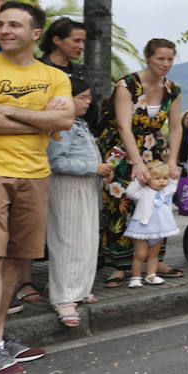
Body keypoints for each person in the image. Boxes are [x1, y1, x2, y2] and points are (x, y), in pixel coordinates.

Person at [0, 1, 73, 374]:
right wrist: (40, 120)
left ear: (35, 34)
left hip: (35, 174)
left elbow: (66, 119)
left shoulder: (54, 76)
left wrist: (5, 110)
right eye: (1, 24)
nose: (5, 30)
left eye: (15, 25)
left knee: (13, 260)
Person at [97, 38, 185, 286]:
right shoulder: (127, 85)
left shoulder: (173, 90)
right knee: (119, 204)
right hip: (120, 151)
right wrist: (136, 163)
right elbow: (124, 127)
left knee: (158, 203)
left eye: (169, 59)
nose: (165, 64)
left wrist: (172, 161)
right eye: (160, 58)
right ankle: (120, 266)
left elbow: (176, 127)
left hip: (153, 149)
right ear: (148, 57)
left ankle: (155, 262)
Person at [46, 81, 110, 325]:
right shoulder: (60, 126)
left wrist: (101, 170)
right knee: (67, 239)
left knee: (86, 238)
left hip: (86, 185)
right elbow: (57, 161)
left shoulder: (80, 124)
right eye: (82, 97)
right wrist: (93, 167)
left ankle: (80, 288)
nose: (88, 101)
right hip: (67, 186)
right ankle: (63, 298)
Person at [122, 159, 179, 287]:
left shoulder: (166, 192)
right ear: (148, 179)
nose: (162, 181)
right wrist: (140, 180)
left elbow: (173, 182)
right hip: (143, 228)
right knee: (140, 255)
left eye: (165, 178)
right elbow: (130, 192)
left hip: (160, 229)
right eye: (157, 178)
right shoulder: (142, 191)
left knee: (154, 255)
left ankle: (151, 275)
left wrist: (173, 172)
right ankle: (136, 277)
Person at [39, 17, 95, 128]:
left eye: (83, 41)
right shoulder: (36, 68)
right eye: (76, 40)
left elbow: (92, 109)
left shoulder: (82, 71)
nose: (81, 46)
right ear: (57, 40)